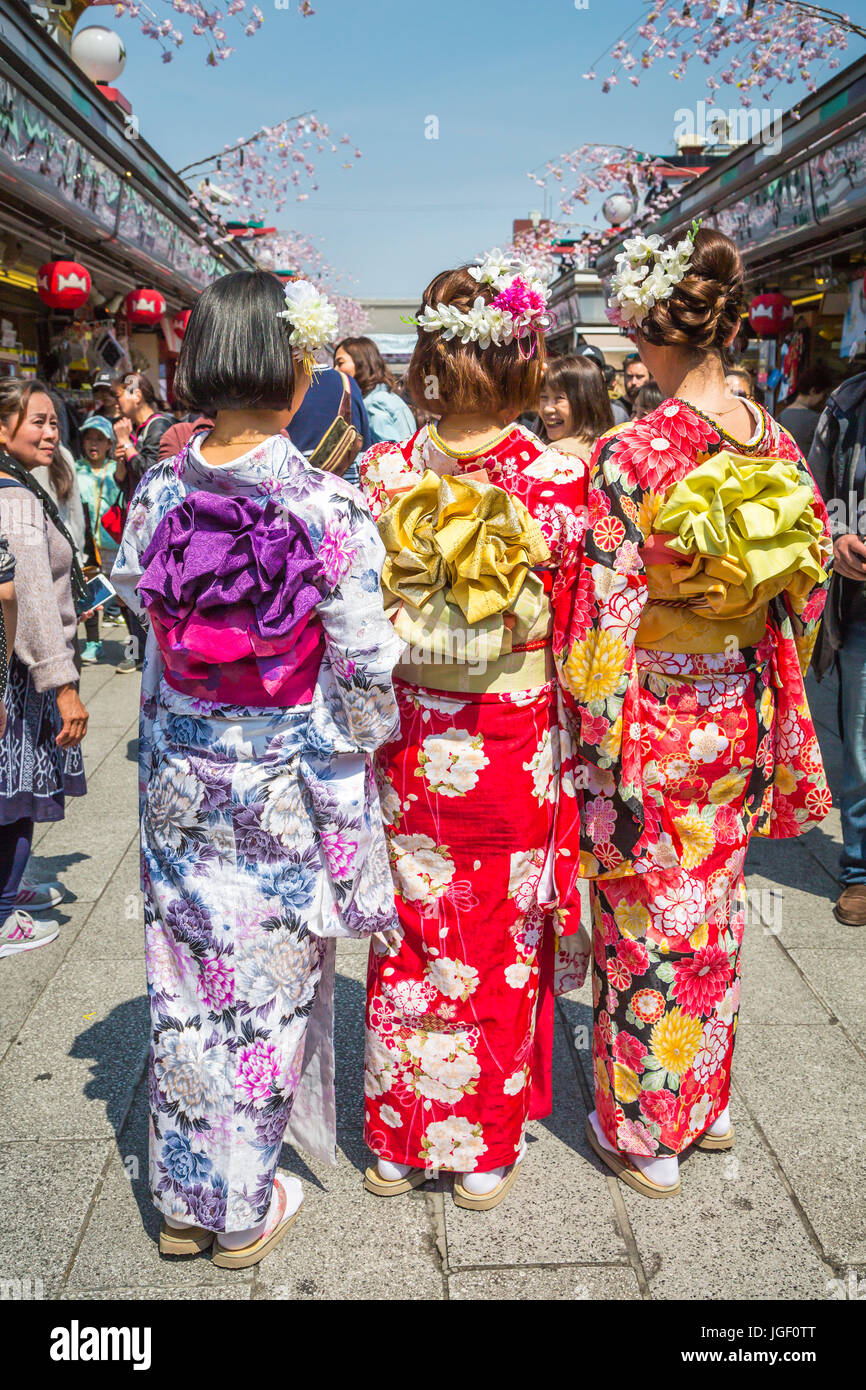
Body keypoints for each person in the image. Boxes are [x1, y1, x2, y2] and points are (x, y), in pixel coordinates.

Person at [111, 270, 401, 1267]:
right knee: (268, 989)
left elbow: (132, 596)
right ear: (294, 371)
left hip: (180, 779)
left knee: (183, 978)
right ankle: (240, 1208)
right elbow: (363, 659)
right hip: (280, 779)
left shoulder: (159, 488)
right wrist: (366, 747)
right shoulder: (327, 504)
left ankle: (185, 1199)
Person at [568, 226, 831, 1196]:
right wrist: (760, 671)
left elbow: (601, 611)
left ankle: (645, 1132)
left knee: (643, 914)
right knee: (712, 912)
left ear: (646, 330)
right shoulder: (774, 440)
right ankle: (705, 1100)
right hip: (737, 710)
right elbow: (802, 595)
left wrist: (590, 737)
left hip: (651, 714)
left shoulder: (631, 452)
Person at [358, 250, 589, 1210]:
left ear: (432, 360)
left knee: (414, 928)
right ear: (524, 361)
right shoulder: (555, 478)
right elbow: (583, 631)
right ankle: (483, 1143)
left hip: (412, 728)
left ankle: (400, 1138)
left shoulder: (383, 469)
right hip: (510, 730)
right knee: (496, 931)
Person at [0, 380, 90, 957]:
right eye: (36, 421)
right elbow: (26, 596)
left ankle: (9, 890)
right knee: (16, 790)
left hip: (21, 664)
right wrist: (62, 686)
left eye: (54, 422)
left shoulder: (19, 484)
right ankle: (5, 912)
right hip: (24, 670)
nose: (51, 433)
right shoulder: (15, 496)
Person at [809, 370, 866, 924]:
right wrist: (835, 536)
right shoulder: (847, 403)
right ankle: (860, 870)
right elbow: (812, 494)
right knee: (860, 745)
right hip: (861, 606)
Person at [111, 374, 172, 675]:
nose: (118, 403)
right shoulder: (140, 429)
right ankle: (139, 649)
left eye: (121, 395)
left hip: (150, 524)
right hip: (134, 518)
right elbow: (121, 478)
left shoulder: (159, 426)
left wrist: (126, 444)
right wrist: (122, 454)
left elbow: (152, 473)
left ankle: (149, 649)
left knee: (144, 584)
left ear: (137, 395)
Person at [74, 414, 123, 664]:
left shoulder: (117, 469)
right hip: (86, 545)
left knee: (125, 595)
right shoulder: (74, 469)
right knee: (89, 592)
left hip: (114, 542)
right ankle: (93, 643)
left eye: (99, 439)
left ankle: (137, 643)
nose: (93, 444)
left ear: (109, 444)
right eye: (89, 438)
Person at [289, 364, 371, 486]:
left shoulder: (281, 383)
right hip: (347, 490)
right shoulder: (346, 381)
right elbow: (365, 446)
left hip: (296, 491)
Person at [335, 336, 419, 446]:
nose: (335, 369)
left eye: (340, 363)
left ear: (361, 362)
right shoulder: (389, 397)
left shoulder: (374, 404)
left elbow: (386, 453)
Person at [538, 353, 614, 461]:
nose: (547, 409)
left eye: (559, 398)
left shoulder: (559, 453)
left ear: (587, 402)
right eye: (543, 397)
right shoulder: (607, 448)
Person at [778, 365, 831, 457]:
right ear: (813, 391)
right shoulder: (816, 420)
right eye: (824, 394)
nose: (824, 400)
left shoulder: (781, 416)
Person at [614, 351, 651, 417]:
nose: (633, 382)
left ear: (650, 378)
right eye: (629, 376)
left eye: (639, 376)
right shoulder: (615, 409)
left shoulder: (658, 407)